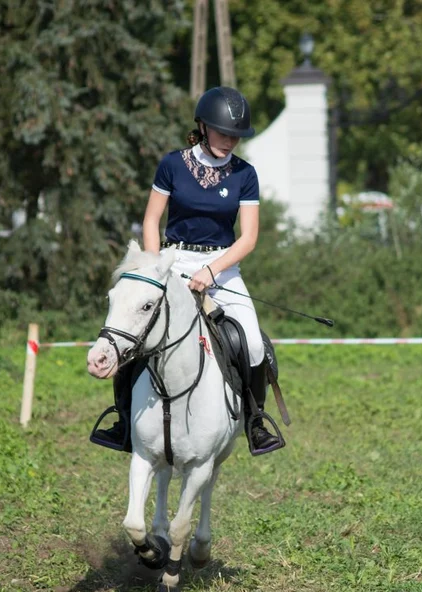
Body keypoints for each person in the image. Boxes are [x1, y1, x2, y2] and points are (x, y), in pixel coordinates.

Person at [91, 86, 284, 456]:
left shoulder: (246, 174)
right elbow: (151, 219)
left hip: (222, 267)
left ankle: (255, 421)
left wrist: (212, 271)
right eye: (223, 132)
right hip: (172, 261)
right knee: (137, 336)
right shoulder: (173, 164)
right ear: (203, 126)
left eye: (236, 136)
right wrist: (153, 268)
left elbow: (249, 238)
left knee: (254, 342)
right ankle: (123, 420)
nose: (230, 141)